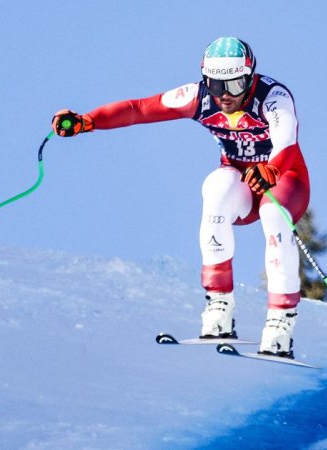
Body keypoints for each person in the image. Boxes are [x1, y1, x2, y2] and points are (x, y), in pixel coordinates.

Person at [52, 36, 310, 358]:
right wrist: (88, 121)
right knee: (215, 188)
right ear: (206, 80)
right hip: (242, 182)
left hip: (284, 179)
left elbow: (286, 139)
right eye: (217, 85)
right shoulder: (198, 98)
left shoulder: (272, 96)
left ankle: (279, 324)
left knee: (274, 216)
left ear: (251, 77)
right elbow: (139, 109)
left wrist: (271, 169)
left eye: (236, 83)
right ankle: (219, 308)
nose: (226, 95)